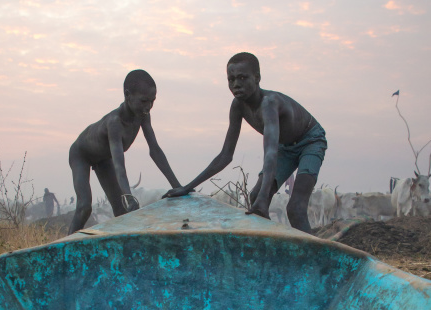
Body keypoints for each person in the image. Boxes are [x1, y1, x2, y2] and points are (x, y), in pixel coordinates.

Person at [164, 52, 327, 234]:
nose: (236, 84)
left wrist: (265, 199)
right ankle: (268, 245)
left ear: (257, 78)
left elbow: (270, 154)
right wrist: (187, 187)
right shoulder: (237, 106)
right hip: (285, 148)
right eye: (231, 79)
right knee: (255, 196)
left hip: (310, 141)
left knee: (295, 208)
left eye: (242, 78)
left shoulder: (269, 103)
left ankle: (317, 258)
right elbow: (225, 155)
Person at [68, 69, 181, 233]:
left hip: (103, 158)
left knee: (122, 212)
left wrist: (178, 187)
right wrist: (128, 196)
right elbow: (119, 165)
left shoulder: (143, 115)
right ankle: (64, 247)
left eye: (152, 101)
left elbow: (155, 150)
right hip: (81, 154)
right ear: (128, 96)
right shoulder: (114, 122)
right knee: (85, 206)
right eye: (144, 101)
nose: (148, 106)